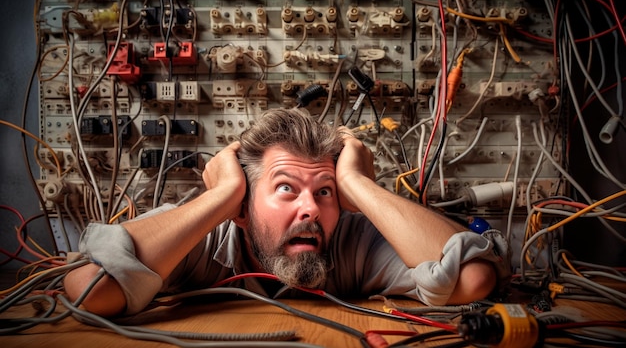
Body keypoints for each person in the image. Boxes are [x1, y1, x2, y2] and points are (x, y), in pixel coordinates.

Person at [64, 108, 509, 317]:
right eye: (285, 189)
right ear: (241, 208)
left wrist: (358, 185)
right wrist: (220, 198)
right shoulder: (202, 234)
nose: (310, 209)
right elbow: (89, 290)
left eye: (325, 192)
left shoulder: (355, 240)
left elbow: (472, 279)